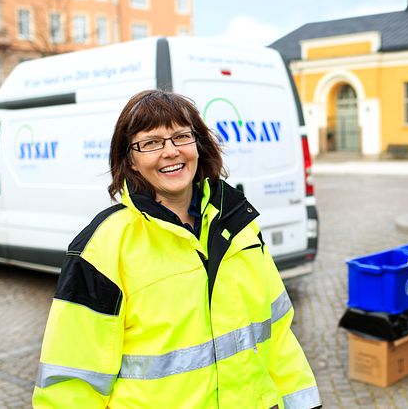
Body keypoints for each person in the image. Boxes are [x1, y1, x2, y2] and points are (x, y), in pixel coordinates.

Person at [33, 89, 321, 408]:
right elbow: (71, 381)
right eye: (152, 142)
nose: (170, 151)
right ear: (130, 159)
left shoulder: (240, 226)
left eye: (181, 136)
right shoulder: (102, 249)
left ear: (198, 145)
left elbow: (278, 336)